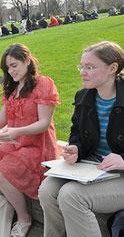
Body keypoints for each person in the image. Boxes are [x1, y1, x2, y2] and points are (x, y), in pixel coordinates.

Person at [38, 41, 124, 237]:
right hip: (94, 166)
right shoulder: (84, 96)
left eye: (90, 67)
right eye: (82, 66)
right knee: (46, 190)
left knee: (71, 196)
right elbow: (76, 132)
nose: (82, 72)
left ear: (113, 68)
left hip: (121, 173)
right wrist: (76, 148)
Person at [0, 43, 60, 237]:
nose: (10, 70)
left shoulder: (43, 84)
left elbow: (43, 123)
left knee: (0, 171)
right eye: (8, 67)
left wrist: (15, 132)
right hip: (16, 143)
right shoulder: (12, 89)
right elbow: (1, 120)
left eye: (14, 65)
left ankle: (24, 218)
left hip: (38, 145)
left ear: (27, 61)